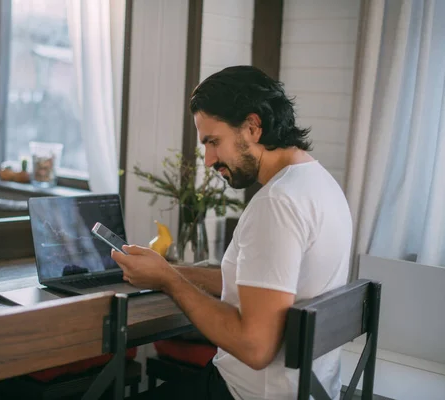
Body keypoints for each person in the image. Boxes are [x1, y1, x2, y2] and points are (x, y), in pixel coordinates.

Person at [111, 65, 353, 400]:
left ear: (253, 127)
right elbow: (259, 287)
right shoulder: (319, 184)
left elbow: (255, 348)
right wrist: (167, 270)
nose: (208, 160)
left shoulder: (278, 204)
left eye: (214, 142)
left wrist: (168, 281)